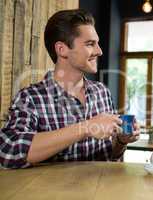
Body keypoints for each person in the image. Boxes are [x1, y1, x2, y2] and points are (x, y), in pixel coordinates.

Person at [0, 9, 139, 169]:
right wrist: (86, 127)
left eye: (97, 43)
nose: (99, 51)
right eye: (90, 44)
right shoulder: (30, 97)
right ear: (62, 49)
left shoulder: (102, 92)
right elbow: (7, 152)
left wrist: (121, 141)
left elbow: (109, 155)